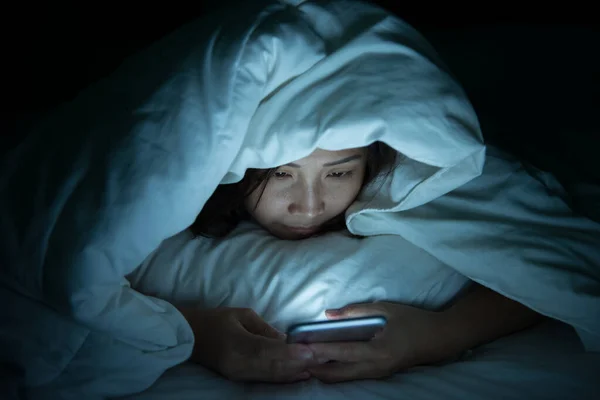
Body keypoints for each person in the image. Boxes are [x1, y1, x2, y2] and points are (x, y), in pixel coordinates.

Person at [172, 142, 543, 384]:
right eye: (281, 173)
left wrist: (438, 335)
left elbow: (550, 270)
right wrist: (195, 334)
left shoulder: (410, 187)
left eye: (338, 173)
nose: (310, 206)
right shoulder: (170, 212)